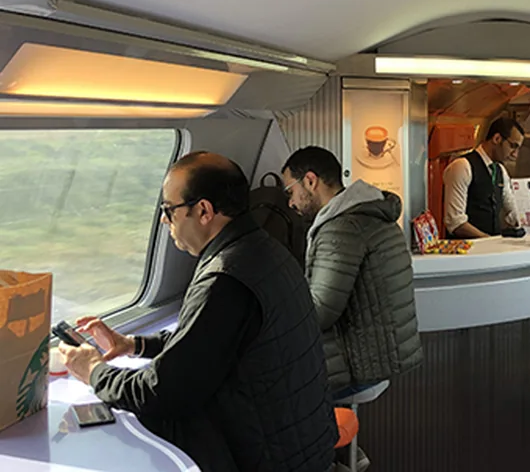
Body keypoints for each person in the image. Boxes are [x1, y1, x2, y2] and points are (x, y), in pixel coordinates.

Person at [58, 152, 337, 472]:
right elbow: (208, 344)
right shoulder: (264, 250)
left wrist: (94, 371)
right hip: (306, 445)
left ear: (203, 211)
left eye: (169, 209)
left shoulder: (225, 280)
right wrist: (133, 345)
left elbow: (162, 394)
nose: (164, 220)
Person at [281, 146, 423, 397]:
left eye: (290, 191)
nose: (290, 203)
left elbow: (319, 313)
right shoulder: (374, 213)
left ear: (310, 181)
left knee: (272, 394)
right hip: (383, 356)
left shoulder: (341, 229)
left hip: (358, 367)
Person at [443, 116, 525, 238]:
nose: (515, 155)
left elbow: (511, 209)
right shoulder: (462, 166)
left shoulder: (501, 171)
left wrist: (523, 225)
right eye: (513, 146)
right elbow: (455, 222)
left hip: (491, 247)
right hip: (467, 247)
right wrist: (489, 241)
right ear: (497, 139)